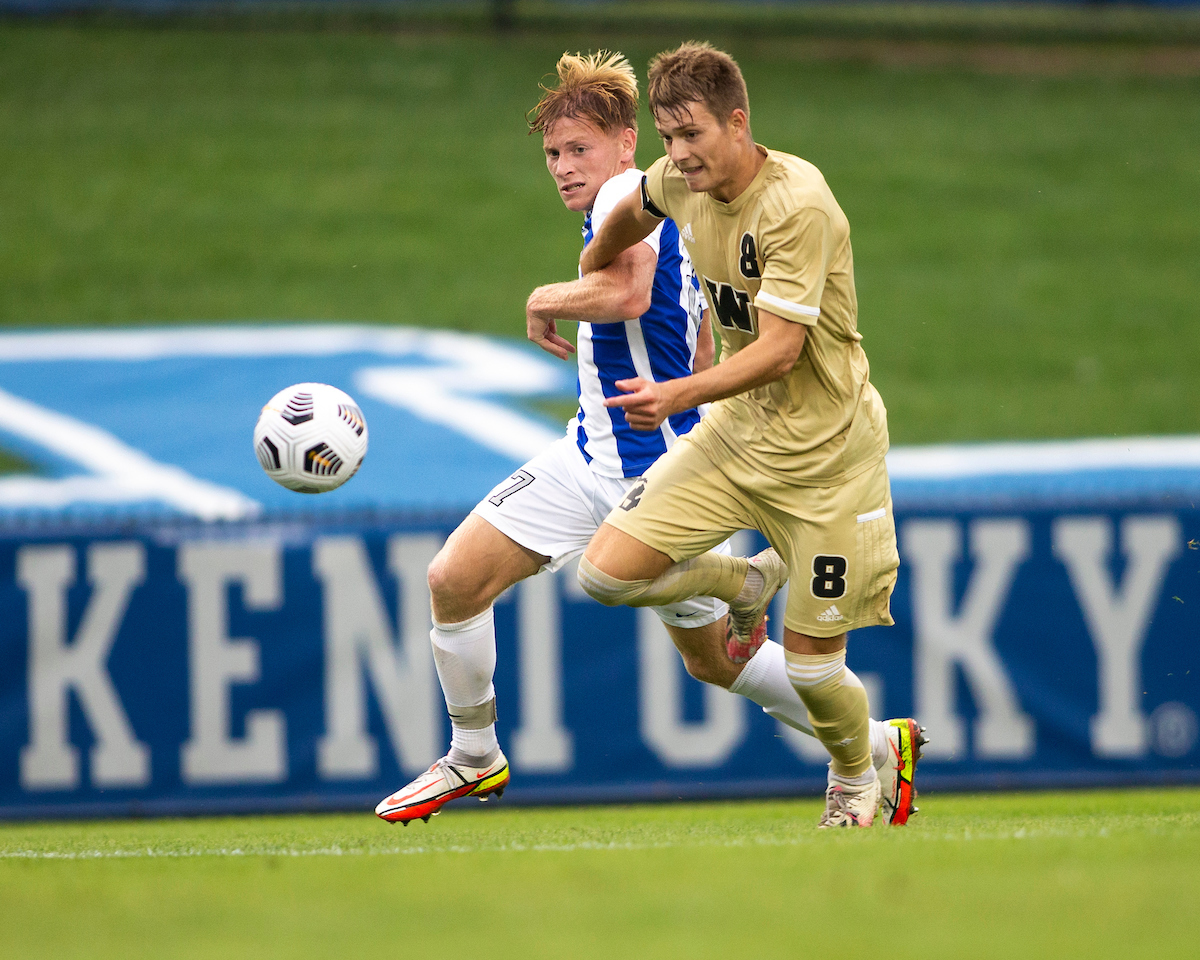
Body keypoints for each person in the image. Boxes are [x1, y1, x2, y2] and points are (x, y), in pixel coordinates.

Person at [375, 50, 921, 828]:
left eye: (579, 151)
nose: (564, 169)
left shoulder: (656, 191)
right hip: (593, 448)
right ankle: (474, 754)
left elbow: (631, 290)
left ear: (625, 144)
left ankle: (861, 744)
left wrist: (551, 294)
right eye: (554, 156)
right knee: (455, 579)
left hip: (659, 451)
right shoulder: (669, 189)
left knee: (734, 662)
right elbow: (686, 316)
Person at [575, 43, 924, 828]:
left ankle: (856, 771)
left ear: (738, 123)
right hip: (739, 438)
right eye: (667, 136)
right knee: (605, 575)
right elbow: (634, 209)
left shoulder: (796, 203)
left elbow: (780, 351)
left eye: (692, 133)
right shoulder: (681, 181)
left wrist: (676, 396)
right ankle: (745, 582)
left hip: (829, 461)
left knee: (811, 671)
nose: (678, 154)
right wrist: (595, 264)